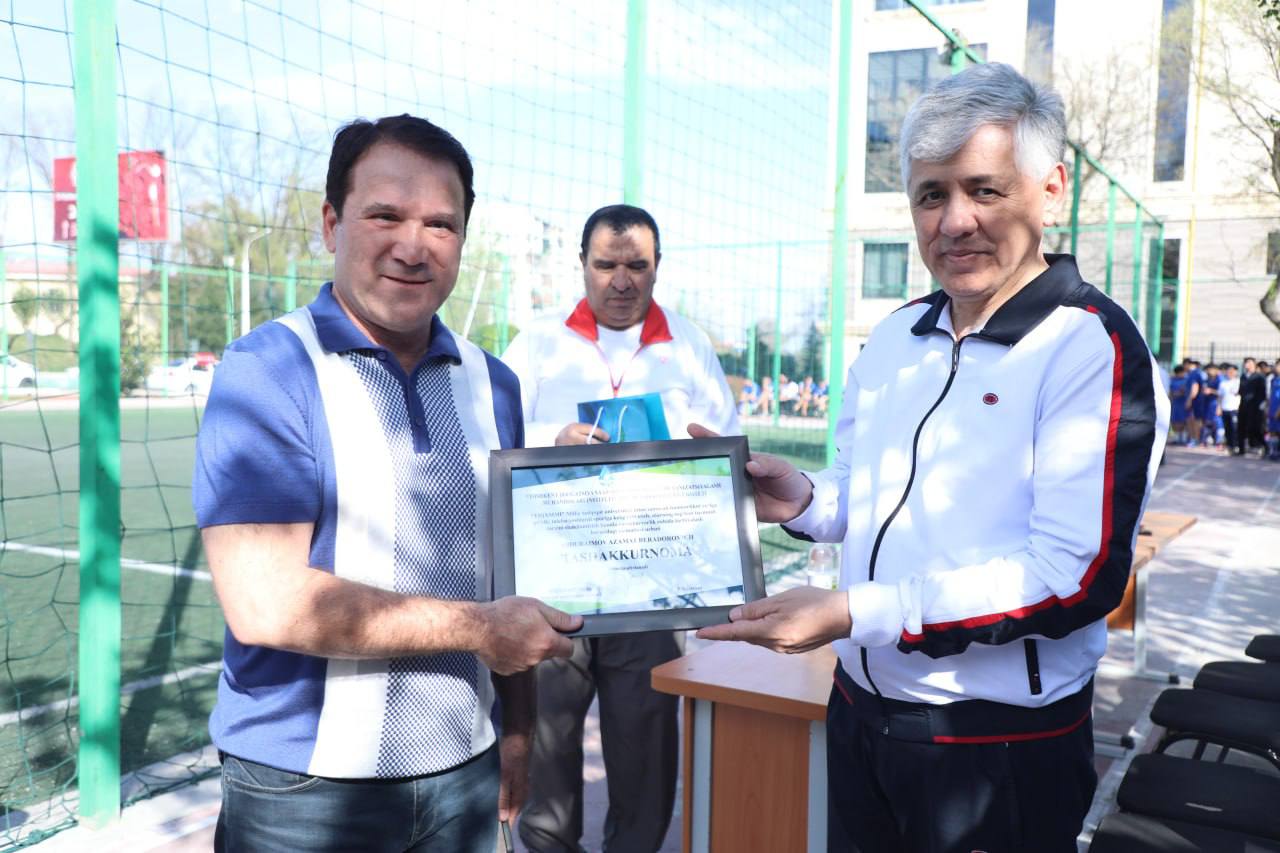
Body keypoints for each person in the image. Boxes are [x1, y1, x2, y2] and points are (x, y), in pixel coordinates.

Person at [693, 63, 1168, 853]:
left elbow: (1074, 575)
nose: (954, 221)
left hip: (994, 745)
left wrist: (857, 611)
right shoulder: (896, 335)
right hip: (860, 709)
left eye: (984, 190)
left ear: (1051, 192)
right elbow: (864, 489)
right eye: (931, 194)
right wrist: (803, 497)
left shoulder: (1092, 346)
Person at [193, 115, 582, 853]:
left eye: (441, 224)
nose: (413, 245)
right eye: (385, 216)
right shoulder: (268, 370)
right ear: (331, 223)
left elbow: (509, 577)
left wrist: (517, 734)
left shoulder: (495, 383)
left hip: (466, 770)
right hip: (304, 792)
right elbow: (265, 603)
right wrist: (480, 630)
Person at [501, 204, 740, 853]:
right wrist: (553, 439)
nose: (622, 280)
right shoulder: (538, 343)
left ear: (658, 266)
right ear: (582, 264)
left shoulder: (688, 346)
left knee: (645, 746)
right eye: (606, 264)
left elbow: (725, 447)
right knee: (547, 742)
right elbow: (495, 436)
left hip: (650, 589)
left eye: (637, 265)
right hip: (556, 583)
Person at [1238, 357, 1265, 456]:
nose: (1247, 364)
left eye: (1249, 362)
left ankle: (1260, 446)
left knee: (1255, 427)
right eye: (1246, 362)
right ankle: (1241, 449)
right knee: (1241, 427)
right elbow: (1241, 390)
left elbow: (1262, 393)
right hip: (1243, 405)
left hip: (1255, 407)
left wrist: (1260, 405)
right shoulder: (1243, 376)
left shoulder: (1259, 377)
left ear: (1254, 364)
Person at [1219, 363, 1240, 452]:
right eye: (1228, 371)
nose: (1230, 373)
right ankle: (1229, 445)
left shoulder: (1238, 382)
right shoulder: (1223, 383)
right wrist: (1219, 407)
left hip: (1235, 409)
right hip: (1225, 408)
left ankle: (1236, 445)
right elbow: (1220, 396)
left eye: (1232, 371)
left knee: (1234, 428)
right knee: (1227, 428)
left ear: (1235, 372)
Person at [1169, 364, 1189, 445]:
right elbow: (1171, 392)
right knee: (1175, 421)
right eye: (1182, 372)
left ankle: (1183, 438)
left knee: (1184, 421)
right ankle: (1177, 438)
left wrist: (1181, 393)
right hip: (1175, 404)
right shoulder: (1172, 380)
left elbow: (1186, 391)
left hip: (1184, 403)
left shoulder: (1186, 380)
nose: (1184, 374)